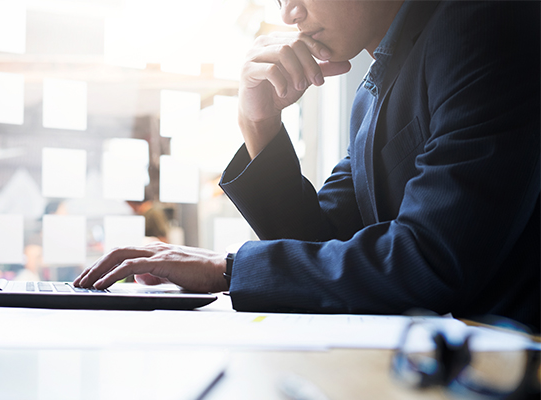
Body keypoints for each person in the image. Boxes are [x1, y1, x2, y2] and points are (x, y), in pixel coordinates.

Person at [74, 0, 540, 331]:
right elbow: (321, 243)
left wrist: (227, 269)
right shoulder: (373, 91)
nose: (287, 13)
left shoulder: (483, 25)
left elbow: (430, 262)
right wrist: (259, 123)